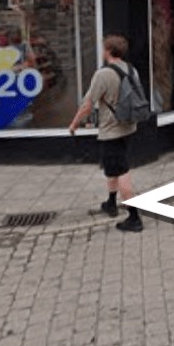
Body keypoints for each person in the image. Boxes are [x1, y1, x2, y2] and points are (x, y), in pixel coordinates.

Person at [69, 34, 142, 232]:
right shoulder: (131, 69)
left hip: (112, 131)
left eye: (103, 48)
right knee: (113, 168)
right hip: (128, 127)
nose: (101, 51)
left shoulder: (103, 75)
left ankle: (134, 218)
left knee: (122, 172)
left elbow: (87, 104)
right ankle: (111, 203)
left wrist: (74, 124)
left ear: (108, 51)